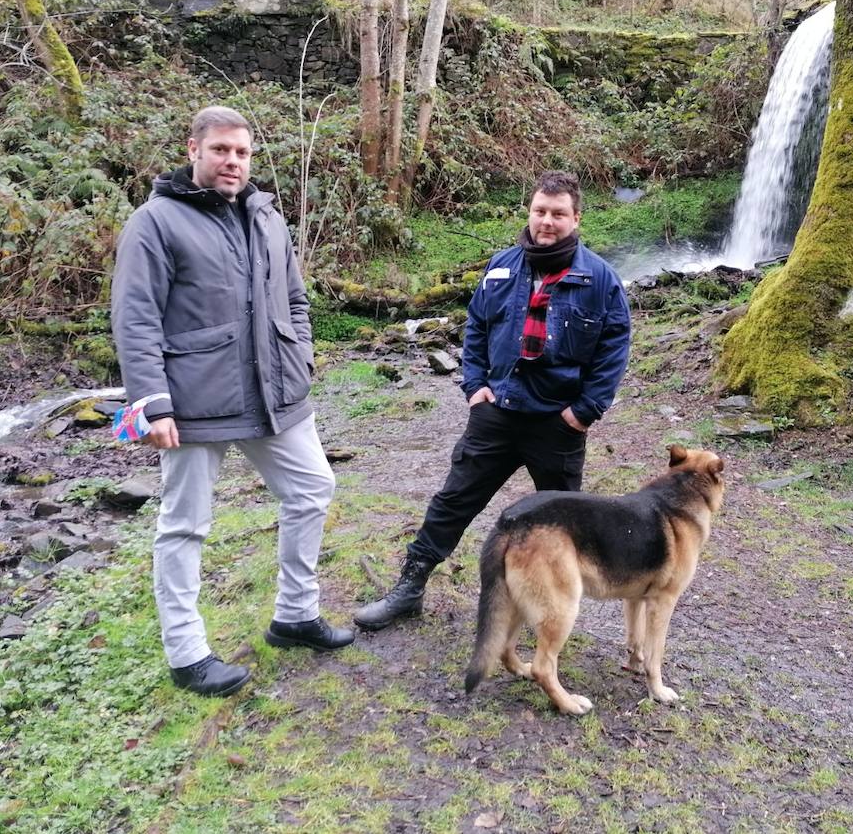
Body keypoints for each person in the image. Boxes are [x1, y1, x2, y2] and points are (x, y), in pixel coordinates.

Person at [111, 105, 353, 698]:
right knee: (185, 524)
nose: (233, 162)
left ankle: (295, 615)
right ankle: (187, 652)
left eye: (242, 153)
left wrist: (302, 355)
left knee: (313, 489)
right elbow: (135, 318)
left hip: (276, 390)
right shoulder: (155, 222)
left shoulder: (267, 216)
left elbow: (295, 298)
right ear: (192, 148)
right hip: (195, 399)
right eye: (221, 150)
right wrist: (151, 402)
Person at [354, 170, 631, 630]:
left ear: (576, 218)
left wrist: (582, 413)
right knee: (453, 500)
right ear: (530, 211)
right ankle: (410, 587)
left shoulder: (600, 279)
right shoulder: (502, 266)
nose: (547, 222)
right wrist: (474, 385)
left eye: (558, 214)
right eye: (540, 211)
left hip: (556, 423)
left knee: (562, 520)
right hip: (497, 412)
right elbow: (476, 326)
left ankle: (553, 606)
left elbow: (614, 349)